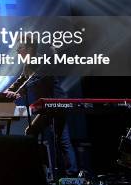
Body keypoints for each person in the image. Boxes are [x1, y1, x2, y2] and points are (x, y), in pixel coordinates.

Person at [5, 41, 78, 176]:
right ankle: (41, 169)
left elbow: (34, 79)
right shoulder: (27, 65)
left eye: (19, 48)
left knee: (61, 139)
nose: (17, 51)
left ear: (29, 48)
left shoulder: (39, 60)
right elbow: (21, 81)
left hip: (57, 104)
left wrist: (18, 93)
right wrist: (7, 91)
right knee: (33, 132)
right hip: (47, 107)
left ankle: (72, 174)